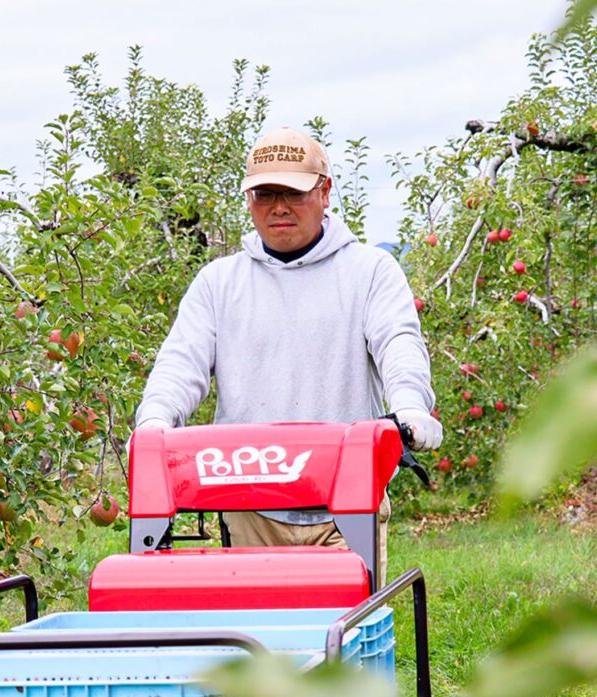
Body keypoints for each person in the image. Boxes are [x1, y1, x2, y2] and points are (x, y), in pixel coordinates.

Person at [134, 126, 442, 580]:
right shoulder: (219, 284)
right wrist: (154, 423)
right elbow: (181, 364)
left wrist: (411, 408)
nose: (278, 207)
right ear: (249, 199)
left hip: (347, 502)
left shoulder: (369, 271)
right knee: (257, 636)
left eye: (293, 193)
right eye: (264, 193)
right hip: (248, 502)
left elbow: (398, 344)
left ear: (325, 191)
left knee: (346, 634)